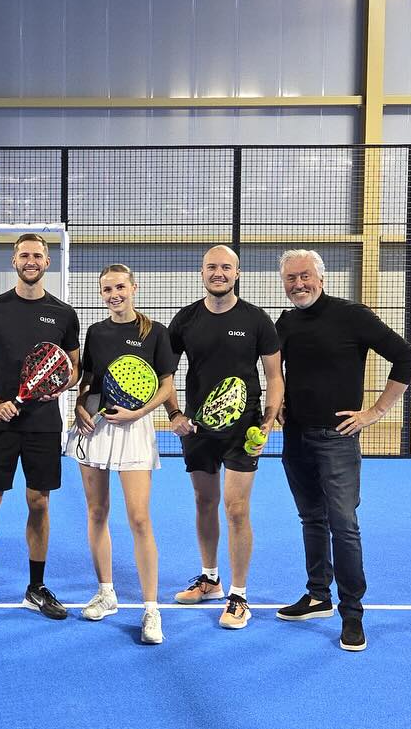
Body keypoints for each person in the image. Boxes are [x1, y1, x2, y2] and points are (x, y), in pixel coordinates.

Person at [274, 248, 411, 652]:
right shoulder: (284, 322)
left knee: (344, 524)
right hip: (295, 437)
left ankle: (352, 614)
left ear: (320, 278)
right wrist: (281, 401)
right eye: (290, 278)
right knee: (311, 518)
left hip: (337, 438)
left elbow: (408, 358)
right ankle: (318, 595)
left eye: (305, 276)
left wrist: (375, 410)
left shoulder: (352, 315)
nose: (298, 284)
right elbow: (278, 370)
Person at [165, 245, 284, 630]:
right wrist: (175, 414)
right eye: (212, 266)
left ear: (237, 273)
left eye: (226, 267)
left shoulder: (257, 320)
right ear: (202, 273)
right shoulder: (185, 319)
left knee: (236, 509)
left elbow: (274, 377)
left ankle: (239, 596)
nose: (219, 272)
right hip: (198, 429)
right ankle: (210, 579)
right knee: (204, 501)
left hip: (242, 430)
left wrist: (267, 421)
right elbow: (165, 375)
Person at [0, 233, 81, 619]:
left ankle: (36, 586)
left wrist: (57, 384)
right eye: (24, 255)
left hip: (44, 424)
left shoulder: (64, 314)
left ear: (47, 263)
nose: (31, 261)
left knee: (38, 502)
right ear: (14, 261)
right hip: (0, 422)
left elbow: (74, 369)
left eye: (38, 255)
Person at [67, 264, 176, 644]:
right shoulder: (95, 332)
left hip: (134, 428)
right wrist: (80, 405)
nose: (114, 294)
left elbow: (166, 386)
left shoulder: (155, 333)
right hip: (95, 427)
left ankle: (150, 610)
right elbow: (89, 381)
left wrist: (140, 412)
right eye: (107, 289)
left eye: (120, 287)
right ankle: (107, 592)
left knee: (139, 518)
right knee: (97, 512)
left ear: (134, 287)